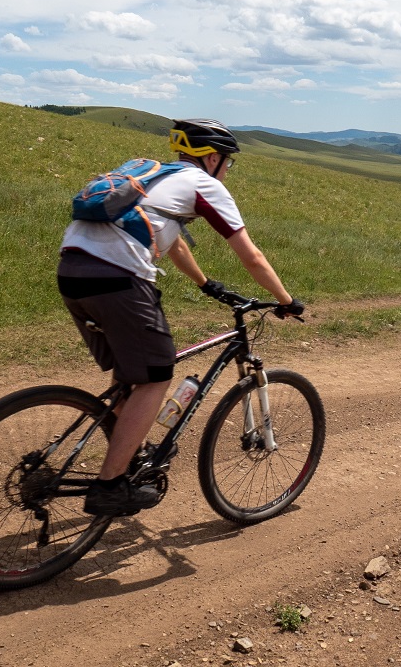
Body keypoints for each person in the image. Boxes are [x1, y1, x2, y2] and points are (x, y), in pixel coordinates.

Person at [57, 118, 303, 516]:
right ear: (211, 157)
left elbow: (170, 243)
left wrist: (207, 284)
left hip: (72, 272)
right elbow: (251, 255)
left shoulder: (151, 175)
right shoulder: (205, 184)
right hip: (118, 277)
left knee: (130, 379)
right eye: (228, 162)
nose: (227, 169)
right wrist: (287, 300)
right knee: (157, 378)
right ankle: (110, 486)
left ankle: (129, 456)